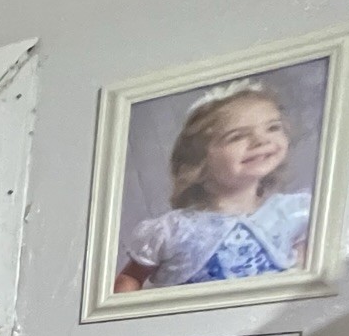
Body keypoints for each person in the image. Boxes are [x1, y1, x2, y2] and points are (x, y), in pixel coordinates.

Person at [114, 81, 312, 292]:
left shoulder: (294, 212)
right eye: (237, 136)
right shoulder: (173, 230)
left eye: (272, 127)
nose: (261, 140)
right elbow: (129, 279)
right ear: (199, 160)